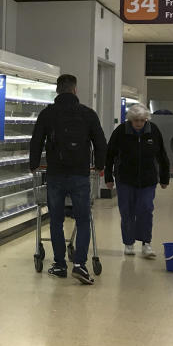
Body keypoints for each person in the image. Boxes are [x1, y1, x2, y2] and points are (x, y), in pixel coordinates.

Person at [28, 74, 108, 284]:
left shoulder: (48, 114)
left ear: (57, 91)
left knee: (56, 220)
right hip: (80, 174)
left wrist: (33, 164)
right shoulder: (87, 114)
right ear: (74, 90)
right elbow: (100, 141)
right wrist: (100, 165)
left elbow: (36, 140)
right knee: (83, 220)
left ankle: (60, 265)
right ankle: (80, 265)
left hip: (55, 174)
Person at [103, 104, 170, 258]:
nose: (139, 123)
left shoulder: (153, 131)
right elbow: (110, 155)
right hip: (125, 179)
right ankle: (129, 243)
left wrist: (164, 178)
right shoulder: (120, 132)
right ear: (130, 120)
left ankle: (146, 243)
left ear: (146, 119)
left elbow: (162, 155)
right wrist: (108, 177)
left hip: (148, 179)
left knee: (146, 210)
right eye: (136, 121)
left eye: (142, 120)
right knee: (127, 212)